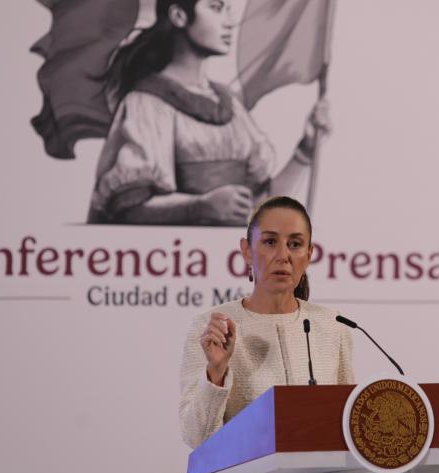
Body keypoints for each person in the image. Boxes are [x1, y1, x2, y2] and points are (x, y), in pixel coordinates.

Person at [87, 0, 330, 225]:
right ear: (179, 16)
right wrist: (199, 207)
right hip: (174, 260)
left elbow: (262, 208)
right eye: (215, 8)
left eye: (227, 9)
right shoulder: (146, 104)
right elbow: (128, 209)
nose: (229, 21)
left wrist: (305, 151)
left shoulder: (231, 106)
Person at [178, 196, 354, 448]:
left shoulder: (332, 326)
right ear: (247, 250)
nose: (282, 256)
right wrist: (216, 372)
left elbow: (348, 428)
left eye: (295, 244)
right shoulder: (211, 327)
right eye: (270, 242)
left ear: (309, 254)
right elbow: (197, 438)